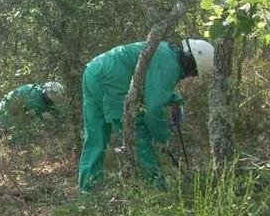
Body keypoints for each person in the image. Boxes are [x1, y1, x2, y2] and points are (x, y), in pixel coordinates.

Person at [77, 39, 214, 191]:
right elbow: (153, 110)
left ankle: (88, 189)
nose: (190, 76)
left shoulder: (166, 51)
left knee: (96, 136)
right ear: (192, 64)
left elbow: (155, 84)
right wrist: (162, 137)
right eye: (194, 73)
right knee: (138, 133)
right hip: (111, 80)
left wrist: (176, 100)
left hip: (93, 71)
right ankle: (155, 187)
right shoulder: (170, 66)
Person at [0, 81, 65, 131]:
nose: (51, 102)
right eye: (51, 100)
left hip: (6, 106)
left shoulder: (39, 89)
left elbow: (52, 108)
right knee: (20, 137)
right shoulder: (36, 102)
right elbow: (47, 119)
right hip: (5, 112)